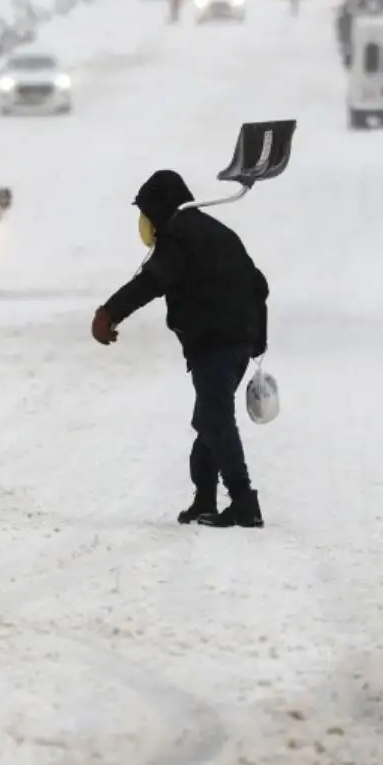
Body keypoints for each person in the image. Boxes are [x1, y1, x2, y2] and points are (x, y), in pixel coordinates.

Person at [92, 170, 270, 529]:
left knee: (216, 418)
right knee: (208, 418)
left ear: (158, 209)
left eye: (145, 213)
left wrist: (109, 312)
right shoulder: (218, 232)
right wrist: (258, 339)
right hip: (236, 340)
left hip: (214, 342)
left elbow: (152, 281)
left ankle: (244, 502)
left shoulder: (179, 236)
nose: (144, 223)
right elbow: (258, 284)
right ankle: (205, 499)